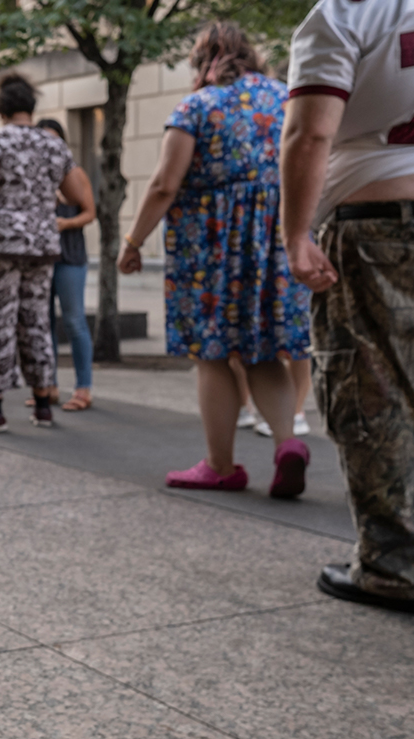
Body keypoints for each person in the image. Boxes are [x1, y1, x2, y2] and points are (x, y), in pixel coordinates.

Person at [282, 0, 414, 614]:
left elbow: (311, 131)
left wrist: (296, 233)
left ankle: (396, 564)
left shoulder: (345, 13)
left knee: (375, 395)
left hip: (379, 216)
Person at [119, 22, 311, 498]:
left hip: (211, 246)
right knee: (263, 347)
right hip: (272, 240)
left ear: (204, 61)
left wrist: (133, 240)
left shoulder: (197, 106)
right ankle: (289, 443)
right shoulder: (283, 98)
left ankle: (220, 465)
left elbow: (166, 183)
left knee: (213, 354)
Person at [0, 74, 91, 432]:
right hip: (43, 244)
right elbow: (76, 194)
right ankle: (43, 403)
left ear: (0, 108)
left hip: (3, 243)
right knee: (37, 321)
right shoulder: (53, 145)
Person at [35, 117, 96, 414]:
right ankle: (48, 387)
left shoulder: (75, 173)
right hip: (40, 258)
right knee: (42, 324)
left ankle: (83, 388)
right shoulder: (33, 175)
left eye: (52, 139)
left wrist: (65, 223)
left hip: (70, 256)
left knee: (74, 322)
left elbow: (90, 213)